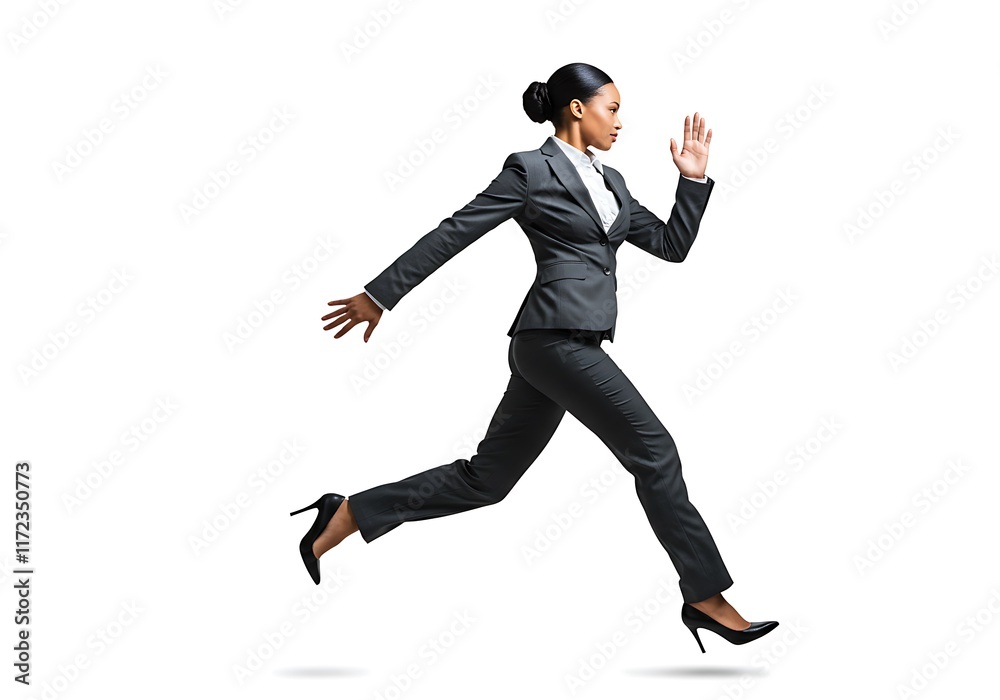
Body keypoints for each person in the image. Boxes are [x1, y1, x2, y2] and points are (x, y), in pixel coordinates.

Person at [291, 62, 778, 652]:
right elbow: (455, 231)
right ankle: (705, 596)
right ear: (577, 109)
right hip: (553, 340)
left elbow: (671, 246)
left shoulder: (613, 182)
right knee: (654, 452)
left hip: (566, 346)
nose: (620, 121)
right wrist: (380, 295)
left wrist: (692, 182)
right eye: (612, 108)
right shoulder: (530, 169)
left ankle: (348, 513)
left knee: (487, 480)